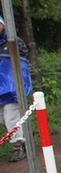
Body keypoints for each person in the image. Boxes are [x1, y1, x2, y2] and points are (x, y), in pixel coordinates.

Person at [0, 15, 32, 162]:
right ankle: (25, 139)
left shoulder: (13, 42)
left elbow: (21, 66)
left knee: (10, 115)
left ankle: (18, 147)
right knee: (4, 118)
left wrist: (17, 86)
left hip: (11, 90)